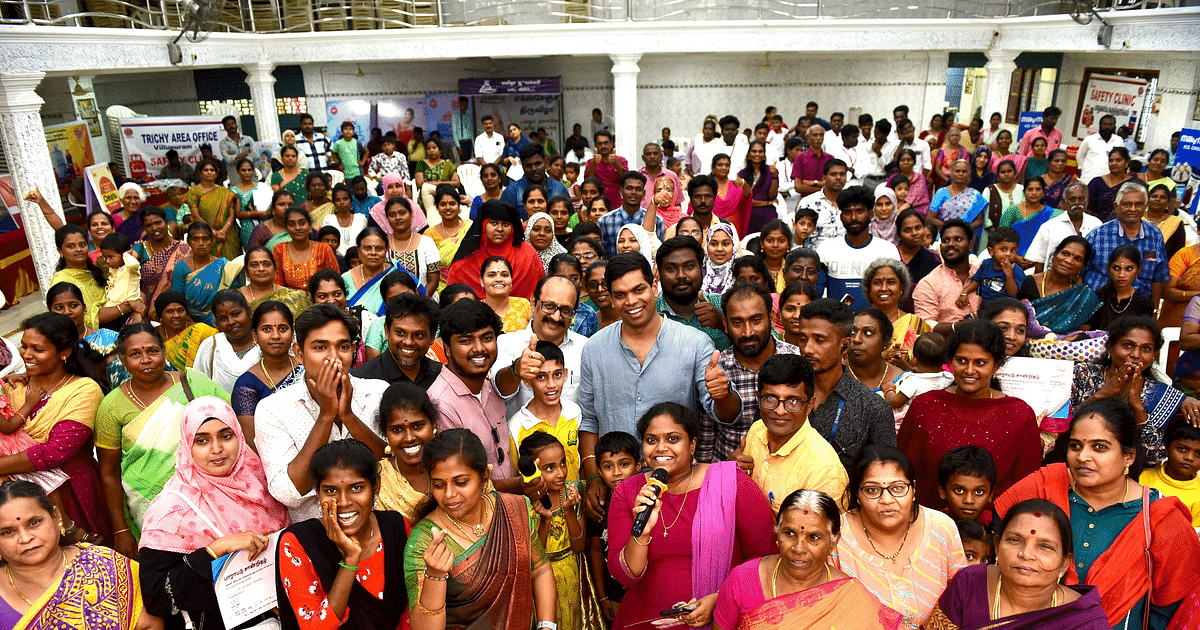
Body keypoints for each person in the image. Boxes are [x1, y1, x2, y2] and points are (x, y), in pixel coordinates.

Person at [995, 399, 1200, 629]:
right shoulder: (1043, 487)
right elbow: (995, 546)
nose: (1083, 456)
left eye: (1099, 447)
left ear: (1129, 456)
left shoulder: (1161, 518)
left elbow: (1172, 607)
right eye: (1075, 446)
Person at [606, 402, 775, 629]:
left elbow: (766, 560)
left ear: (693, 444)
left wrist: (720, 598)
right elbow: (625, 576)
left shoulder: (730, 483)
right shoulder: (628, 492)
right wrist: (642, 533)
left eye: (673, 439)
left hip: (721, 616)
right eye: (651, 440)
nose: (661, 448)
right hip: (644, 620)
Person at [577, 253, 721, 514]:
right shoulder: (594, 349)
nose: (631, 301)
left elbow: (720, 412)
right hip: (617, 489)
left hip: (676, 486)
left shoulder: (695, 343)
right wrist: (594, 476)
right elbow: (589, 421)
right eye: (620, 295)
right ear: (611, 299)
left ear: (654, 287)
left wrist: (723, 394)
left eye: (638, 290)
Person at [138, 396, 288, 630]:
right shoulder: (171, 511)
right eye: (202, 441)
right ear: (187, 445)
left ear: (238, 435)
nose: (217, 449)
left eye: (226, 436)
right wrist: (217, 549)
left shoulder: (259, 481)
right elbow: (157, 597)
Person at [97, 323, 229, 557]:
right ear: (123, 360)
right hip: (148, 507)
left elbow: (232, 430)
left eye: (152, 351)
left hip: (210, 498)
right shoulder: (111, 407)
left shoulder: (194, 384)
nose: (145, 359)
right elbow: (108, 472)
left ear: (163, 353)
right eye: (135, 354)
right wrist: (121, 530)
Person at [403, 429, 557, 629]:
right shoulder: (424, 540)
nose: (449, 494)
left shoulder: (513, 509)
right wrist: (434, 575)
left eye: (460, 482)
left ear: (485, 476)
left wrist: (546, 626)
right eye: (439, 485)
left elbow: (540, 570)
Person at [255, 304, 387, 521]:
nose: (333, 358)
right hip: (315, 532)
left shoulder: (377, 393)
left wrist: (348, 416)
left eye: (343, 347)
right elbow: (287, 493)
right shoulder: (272, 409)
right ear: (299, 353)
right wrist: (326, 417)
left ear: (354, 350)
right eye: (320, 348)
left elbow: (394, 467)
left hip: (379, 525)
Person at [899, 319, 1041, 508]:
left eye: (980, 363)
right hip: (928, 521)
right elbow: (903, 473)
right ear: (951, 361)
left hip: (995, 524)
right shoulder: (925, 406)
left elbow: (1026, 488)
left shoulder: (1019, 415)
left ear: (996, 366)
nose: (969, 370)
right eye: (961, 361)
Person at [713, 489, 903, 630]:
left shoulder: (850, 597)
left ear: (834, 541)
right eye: (789, 533)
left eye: (813, 537)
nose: (799, 548)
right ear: (777, 532)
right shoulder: (742, 580)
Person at [276, 439, 409, 630]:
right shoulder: (297, 542)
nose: (344, 502)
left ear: (376, 486)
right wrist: (350, 560)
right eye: (331, 490)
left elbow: (409, 613)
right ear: (318, 493)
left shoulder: (396, 528)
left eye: (356, 488)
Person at [0, 313, 109, 541]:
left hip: (71, 492)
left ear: (64, 353)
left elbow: (53, 452)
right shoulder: (15, 385)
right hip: (15, 498)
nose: (26, 354)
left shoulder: (83, 391)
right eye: (24, 346)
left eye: (37, 349)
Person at [832, 445, 966, 630]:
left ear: (914, 489)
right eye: (872, 490)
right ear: (857, 494)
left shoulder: (942, 528)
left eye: (898, 488)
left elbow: (964, 597)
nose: (886, 500)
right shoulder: (836, 537)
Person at [925, 498, 1111, 630]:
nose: (1026, 554)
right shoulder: (970, 584)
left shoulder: (1085, 621)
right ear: (997, 546)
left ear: (1065, 563)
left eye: (1045, 546)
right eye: (1015, 540)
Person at [0, 481, 152, 630]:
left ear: (56, 516)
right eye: (8, 532)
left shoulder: (104, 563)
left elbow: (149, 625)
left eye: (34, 523)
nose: (25, 538)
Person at [1071, 315, 1200, 463]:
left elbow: (1153, 457)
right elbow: (1057, 428)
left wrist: (1138, 408)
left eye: (1146, 349)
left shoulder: (1161, 394)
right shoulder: (1082, 374)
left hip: (1127, 471)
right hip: (1077, 461)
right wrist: (1101, 395)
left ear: (1153, 354)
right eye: (1127, 345)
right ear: (1109, 348)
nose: (1135, 355)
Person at [427, 298, 521, 490]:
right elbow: (460, 484)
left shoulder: (488, 386)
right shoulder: (441, 404)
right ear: (447, 348)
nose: (479, 348)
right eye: (466, 341)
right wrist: (520, 486)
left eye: (486, 338)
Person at [795, 299, 897, 467]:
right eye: (803, 339)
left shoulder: (873, 408)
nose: (807, 349)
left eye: (819, 340)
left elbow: (884, 472)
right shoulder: (781, 393)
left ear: (844, 345)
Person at [707, 283, 801, 462]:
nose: (748, 332)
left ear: (772, 318)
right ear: (725, 324)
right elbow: (706, 443)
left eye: (756, 320)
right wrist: (727, 467)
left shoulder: (797, 360)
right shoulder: (718, 370)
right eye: (737, 323)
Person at [491, 275, 586, 420]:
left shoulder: (585, 348)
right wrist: (516, 370)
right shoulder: (508, 343)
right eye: (549, 306)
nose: (556, 317)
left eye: (566, 310)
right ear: (533, 302)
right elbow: (500, 389)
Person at [232, 300, 303, 446]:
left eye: (283, 329)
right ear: (255, 336)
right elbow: (253, 442)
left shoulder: (308, 369)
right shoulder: (246, 386)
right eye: (266, 329)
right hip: (274, 454)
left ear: (292, 334)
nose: (276, 335)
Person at [817, 186, 902, 305]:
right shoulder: (826, 249)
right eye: (848, 212)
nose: (854, 217)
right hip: (836, 316)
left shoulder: (888, 251)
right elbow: (817, 292)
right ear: (841, 217)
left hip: (878, 317)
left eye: (860, 211)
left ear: (871, 214)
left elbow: (896, 295)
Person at [447, 199, 544, 300]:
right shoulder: (466, 260)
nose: (500, 229)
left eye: (505, 224)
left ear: (512, 228)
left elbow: (541, 291)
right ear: (483, 225)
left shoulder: (527, 254)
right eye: (493, 223)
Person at [354, 293, 443, 389]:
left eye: (418, 335)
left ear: (432, 337)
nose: (408, 342)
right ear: (387, 331)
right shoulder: (361, 382)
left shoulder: (442, 376)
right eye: (400, 333)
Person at [913, 220, 979, 334]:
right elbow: (925, 324)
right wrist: (957, 327)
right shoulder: (929, 283)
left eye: (958, 239)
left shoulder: (983, 276)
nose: (951, 244)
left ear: (971, 245)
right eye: (945, 241)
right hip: (947, 343)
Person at [1027, 236, 1102, 334]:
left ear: (1082, 267)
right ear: (1055, 255)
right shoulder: (1028, 283)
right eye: (1065, 253)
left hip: (1065, 343)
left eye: (1077, 259)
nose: (1069, 261)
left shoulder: (1084, 297)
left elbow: (1081, 336)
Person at [863, 258, 930, 359]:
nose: (884, 288)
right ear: (869, 289)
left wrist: (900, 362)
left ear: (901, 288)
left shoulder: (915, 324)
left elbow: (927, 365)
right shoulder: (857, 323)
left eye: (891, 282)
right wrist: (883, 360)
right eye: (877, 283)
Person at [1026, 182, 1101, 271]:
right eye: (1072, 199)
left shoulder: (1096, 225)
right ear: (1064, 202)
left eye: (1081, 199)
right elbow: (1039, 261)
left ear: (1087, 200)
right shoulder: (1049, 227)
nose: (1077, 203)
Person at [1139, 419, 1200, 526]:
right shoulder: (1142, 477)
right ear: (1166, 448)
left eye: (1199, 454)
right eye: (1182, 449)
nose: (1189, 458)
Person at [171, 222, 233, 327]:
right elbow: (177, 300)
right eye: (196, 239)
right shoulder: (181, 268)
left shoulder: (223, 265)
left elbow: (233, 296)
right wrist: (192, 325)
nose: (201, 243)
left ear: (212, 241)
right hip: (189, 322)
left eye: (205, 239)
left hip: (221, 321)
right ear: (189, 242)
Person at [134, 207, 191, 320]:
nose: (154, 228)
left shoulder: (184, 249)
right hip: (148, 313)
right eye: (148, 225)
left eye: (158, 222)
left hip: (183, 309)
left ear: (167, 222)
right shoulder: (138, 250)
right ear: (144, 229)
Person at [847, 308, 908, 413]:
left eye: (868, 333)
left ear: (886, 342)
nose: (856, 339)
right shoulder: (830, 378)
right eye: (852, 332)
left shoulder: (905, 384)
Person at [1085, 245, 1156, 331]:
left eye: (1129, 269)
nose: (1121, 275)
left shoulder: (1144, 304)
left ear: (1138, 269)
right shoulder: (1095, 298)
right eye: (1116, 268)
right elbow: (1085, 333)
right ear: (1108, 267)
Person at [956, 227, 1028, 307]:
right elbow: (977, 280)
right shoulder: (986, 264)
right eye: (1003, 249)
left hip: (1006, 308)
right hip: (985, 306)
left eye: (1013, 250)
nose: (1008, 254)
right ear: (991, 251)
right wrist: (964, 292)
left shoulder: (1016, 270)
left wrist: (1009, 275)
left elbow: (1013, 293)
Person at [272, 207, 340, 291]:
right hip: (289, 298)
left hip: (321, 297)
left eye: (302, 223)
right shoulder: (280, 250)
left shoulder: (324, 249)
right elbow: (278, 285)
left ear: (310, 225)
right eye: (291, 224)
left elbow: (335, 281)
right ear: (286, 228)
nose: (297, 228)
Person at [186, 158, 240, 260]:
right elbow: (195, 216)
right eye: (206, 170)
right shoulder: (194, 191)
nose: (209, 172)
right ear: (200, 173)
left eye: (212, 170)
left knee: (231, 265)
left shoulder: (225, 192)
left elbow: (231, 214)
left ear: (216, 174)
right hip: (206, 234)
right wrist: (213, 232)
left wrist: (223, 231)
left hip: (227, 234)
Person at [238, 245, 313, 317]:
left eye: (266, 264)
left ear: (275, 269)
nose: (261, 269)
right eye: (254, 265)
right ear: (246, 271)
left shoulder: (297, 297)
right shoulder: (236, 298)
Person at [155, 291, 217, 371]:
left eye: (180, 310)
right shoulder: (153, 335)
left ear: (187, 314)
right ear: (161, 317)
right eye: (170, 311)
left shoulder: (200, 331)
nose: (176, 315)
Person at [936, 445, 997, 526]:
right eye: (959, 490)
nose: (969, 500)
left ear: (990, 494)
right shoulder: (930, 526)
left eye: (979, 492)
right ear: (942, 490)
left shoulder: (996, 525)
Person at [798, 159, 850, 250]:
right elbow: (798, 235)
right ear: (824, 178)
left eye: (842, 174)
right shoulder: (808, 203)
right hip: (814, 255)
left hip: (845, 255)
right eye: (833, 174)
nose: (838, 177)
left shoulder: (852, 203)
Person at [1088, 146, 1139, 223]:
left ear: (1127, 162)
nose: (1114, 163)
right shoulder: (1096, 182)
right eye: (1111, 160)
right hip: (1097, 225)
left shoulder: (1135, 184)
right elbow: (1088, 208)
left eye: (1118, 160)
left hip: (1126, 225)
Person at [584, 130, 628, 207]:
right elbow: (587, 180)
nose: (603, 146)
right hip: (598, 205)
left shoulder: (621, 161)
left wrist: (615, 163)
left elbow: (627, 179)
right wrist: (594, 164)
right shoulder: (591, 162)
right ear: (595, 146)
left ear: (611, 144)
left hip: (618, 204)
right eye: (600, 144)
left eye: (606, 143)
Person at [1078, 115, 1124, 185]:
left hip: (1108, 181)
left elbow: (1120, 159)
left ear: (1114, 126)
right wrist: (1086, 168)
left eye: (1110, 124)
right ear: (1100, 125)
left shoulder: (1118, 140)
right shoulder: (1089, 139)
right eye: (1105, 124)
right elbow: (1080, 156)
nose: (1107, 127)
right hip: (1088, 179)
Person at [1146, 183, 1185, 261]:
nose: (1157, 199)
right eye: (1154, 196)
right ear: (1147, 200)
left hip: (1165, 266)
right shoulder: (1138, 219)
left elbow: (1178, 253)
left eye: (1163, 197)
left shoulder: (1175, 223)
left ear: (1168, 203)